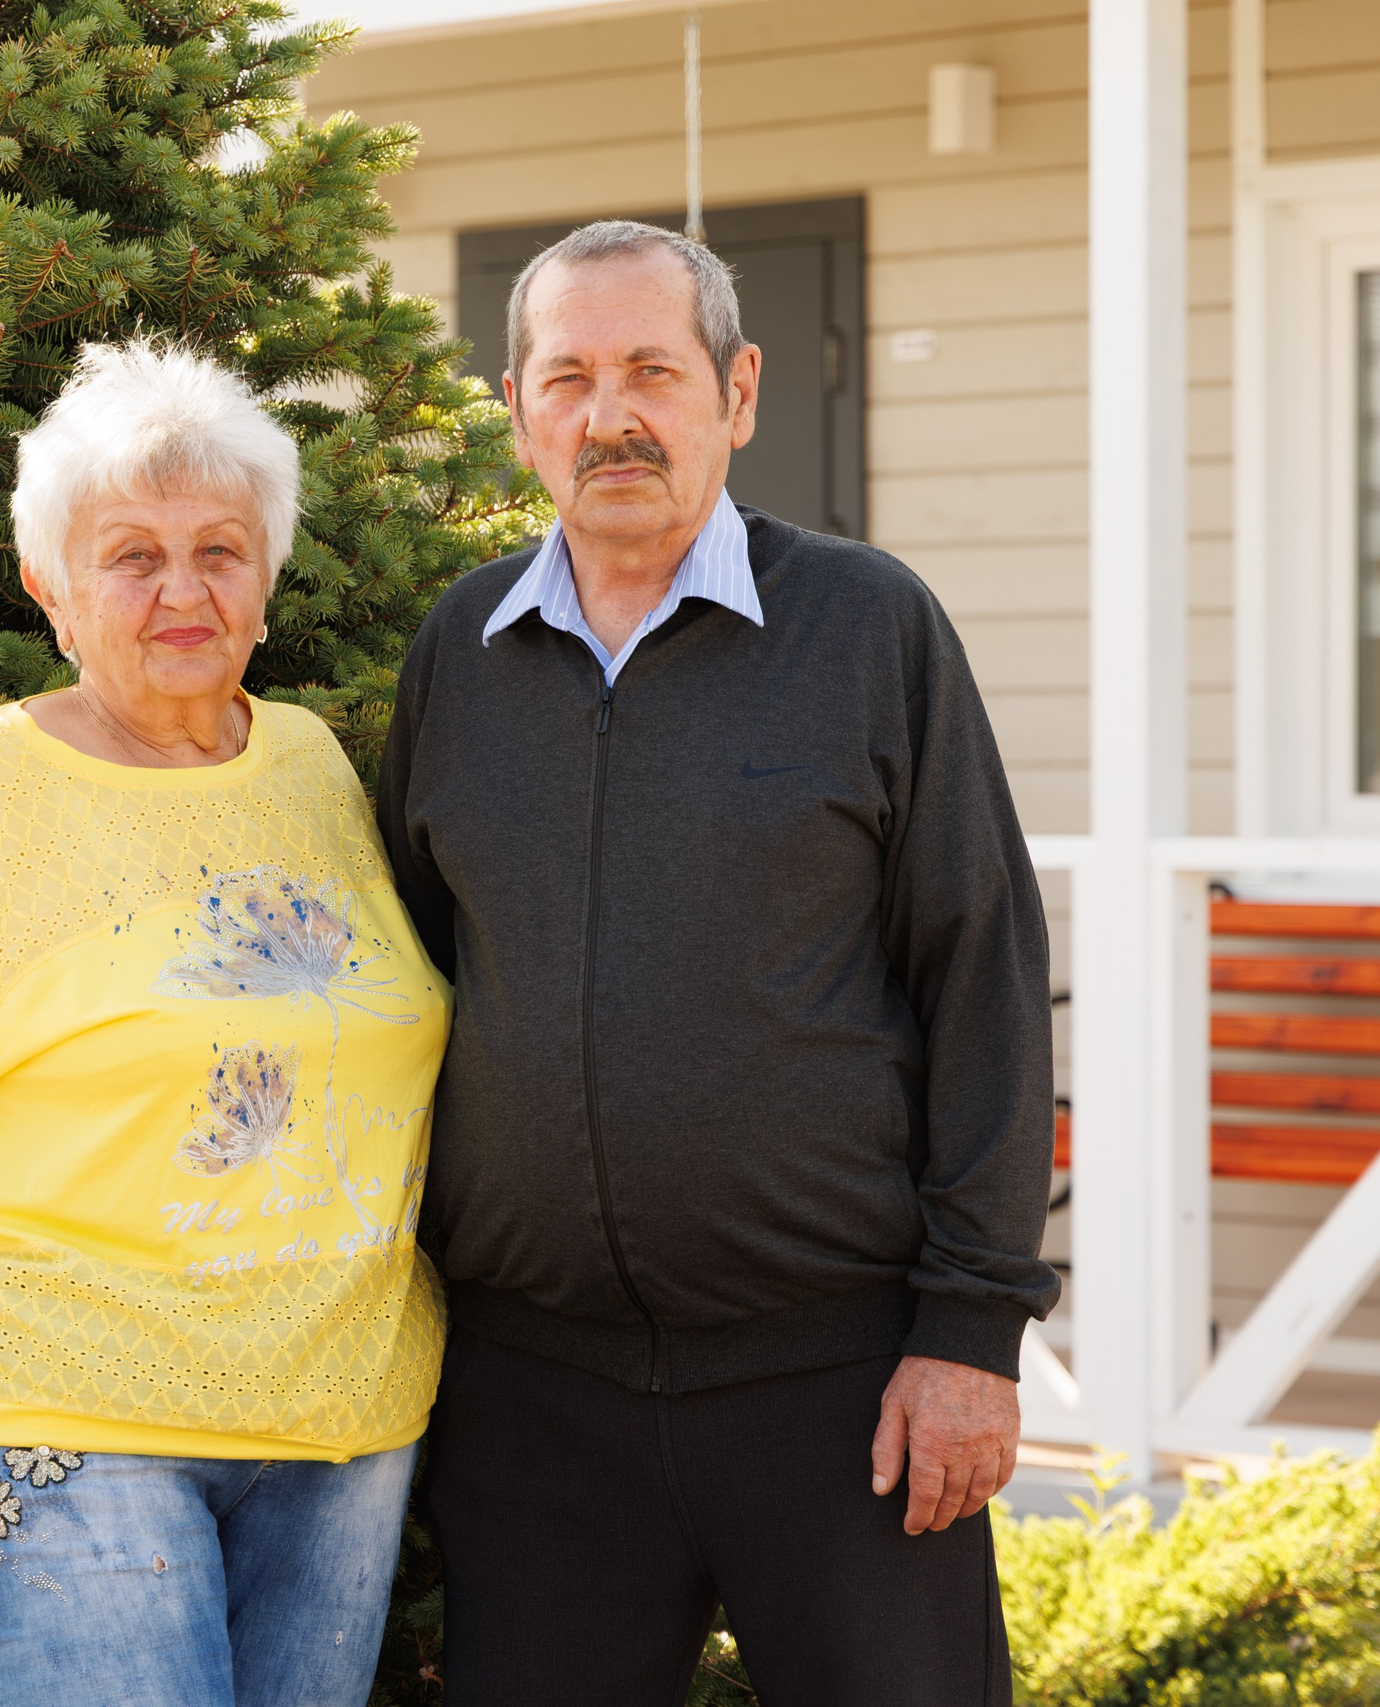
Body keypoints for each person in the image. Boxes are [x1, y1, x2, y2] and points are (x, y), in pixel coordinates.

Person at [375, 220, 1060, 1705]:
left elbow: (983, 978)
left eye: (650, 371)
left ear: (737, 392)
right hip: (535, 1405)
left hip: (842, 1393)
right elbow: (411, 981)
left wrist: (970, 1335)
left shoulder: (870, 628)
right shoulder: (460, 656)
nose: (609, 416)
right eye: (567, 377)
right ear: (518, 409)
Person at [0, 342, 449, 1707]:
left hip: (341, 1431)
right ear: (52, 589)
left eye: (220, 549)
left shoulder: (314, 765)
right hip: (57, 1433)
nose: (181, 590)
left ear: (267, 579)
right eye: (130, 556)